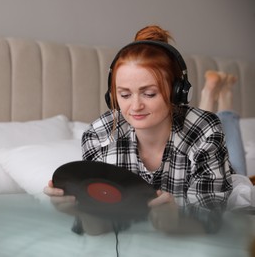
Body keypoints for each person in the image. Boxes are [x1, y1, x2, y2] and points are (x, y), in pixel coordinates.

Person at [44, 25, 236, 235]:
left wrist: (176, 222)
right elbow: (99, 229)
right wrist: (80, 210)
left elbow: (212, 220)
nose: (135, 107)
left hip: (221, 168)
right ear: (112, 96)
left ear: (176, 93)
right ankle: (219, 92)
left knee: (239, 171)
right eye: (125, 95)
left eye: (149, 94)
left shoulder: (205, 130)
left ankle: (221, 95)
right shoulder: (98, 135)